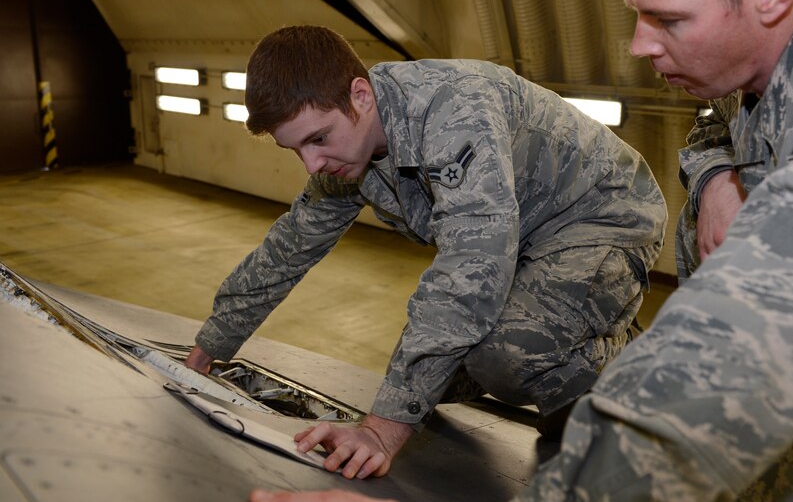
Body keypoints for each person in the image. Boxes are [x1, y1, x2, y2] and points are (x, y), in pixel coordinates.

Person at [246, 0, 793, 499]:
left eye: (667, 18)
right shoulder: (776, 47)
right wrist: (719, 174)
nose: (638, 46)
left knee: (512, 353)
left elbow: (716, 374)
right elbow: (713, 121)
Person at [184, 25, 667, 480]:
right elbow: (291, 246)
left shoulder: (451, 110)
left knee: (506, 356)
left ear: (359, 94)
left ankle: (622, 358)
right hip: (521, 241)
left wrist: (381, 431)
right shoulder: (348, 145)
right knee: (436, 372)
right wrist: (213, 344)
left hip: (601, 220)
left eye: (318, 139)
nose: (313, 163)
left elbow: (471, 266)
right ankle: (568, 325)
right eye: (297, 150)